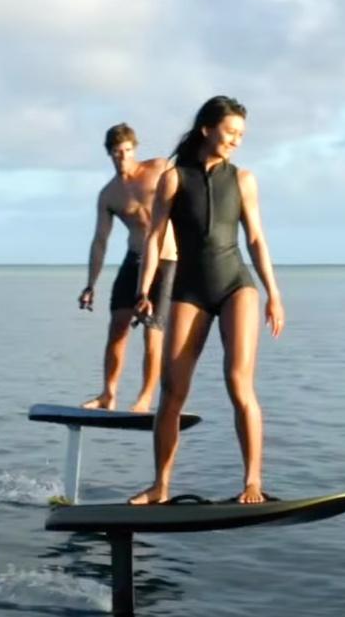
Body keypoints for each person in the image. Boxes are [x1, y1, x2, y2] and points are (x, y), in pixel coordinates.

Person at [127, 96, 285, 505]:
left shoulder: (243, 179)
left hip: (236, 284)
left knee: (238, 381)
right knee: (172, 389)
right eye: (230, 132)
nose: (236, 141)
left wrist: (274, 294)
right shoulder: (174, 178)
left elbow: (255, 239)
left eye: (241, 135)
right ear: (207, 129)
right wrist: (144, 291)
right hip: (190, 288)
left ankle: (252, 482)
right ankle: (160, 486)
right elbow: (155, 238)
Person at [77, 123, 177, 413]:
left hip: (167, 258)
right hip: (134, 258)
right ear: (109, 153)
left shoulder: (159, 168)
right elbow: (99, 241)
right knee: (117, 327)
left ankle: (145, 398)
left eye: (128, 151)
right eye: (117, 152)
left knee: (152, 331)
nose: (123, 157)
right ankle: (108, 394)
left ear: (135, 149)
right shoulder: (109, 195)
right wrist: (90, 284)